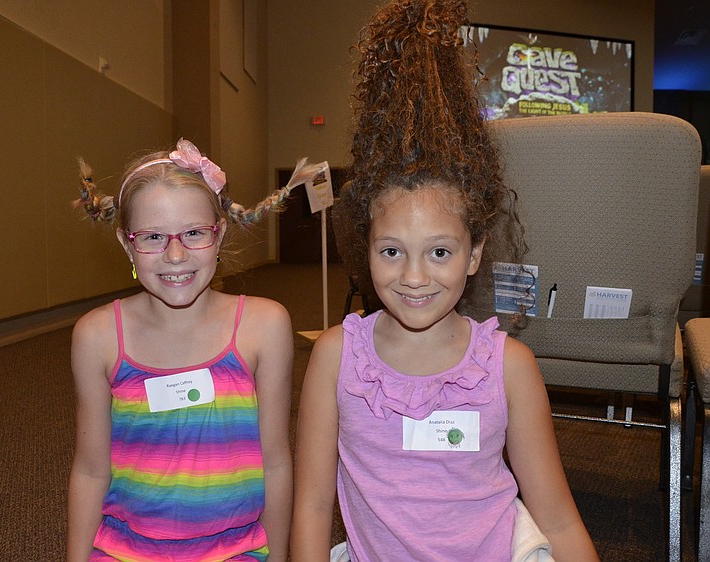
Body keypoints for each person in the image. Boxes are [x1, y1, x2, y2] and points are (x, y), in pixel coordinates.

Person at [290, 1, 599, 561]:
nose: (413, 277)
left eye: (439, 251)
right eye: (391, 251)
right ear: (367, 249)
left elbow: (556, 517)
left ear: (475, 253)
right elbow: (312, 506)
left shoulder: (509, 368)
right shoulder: (336, 358)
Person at [68, 139, 315, 561]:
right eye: (152, 237)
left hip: (236, 550)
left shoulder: (263, 327)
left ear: (219, 234)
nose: (176, 255)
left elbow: (275, 462)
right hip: (125, 551)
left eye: (194, 233)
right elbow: (91, 469)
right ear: (128, 244)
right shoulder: (98, 336)